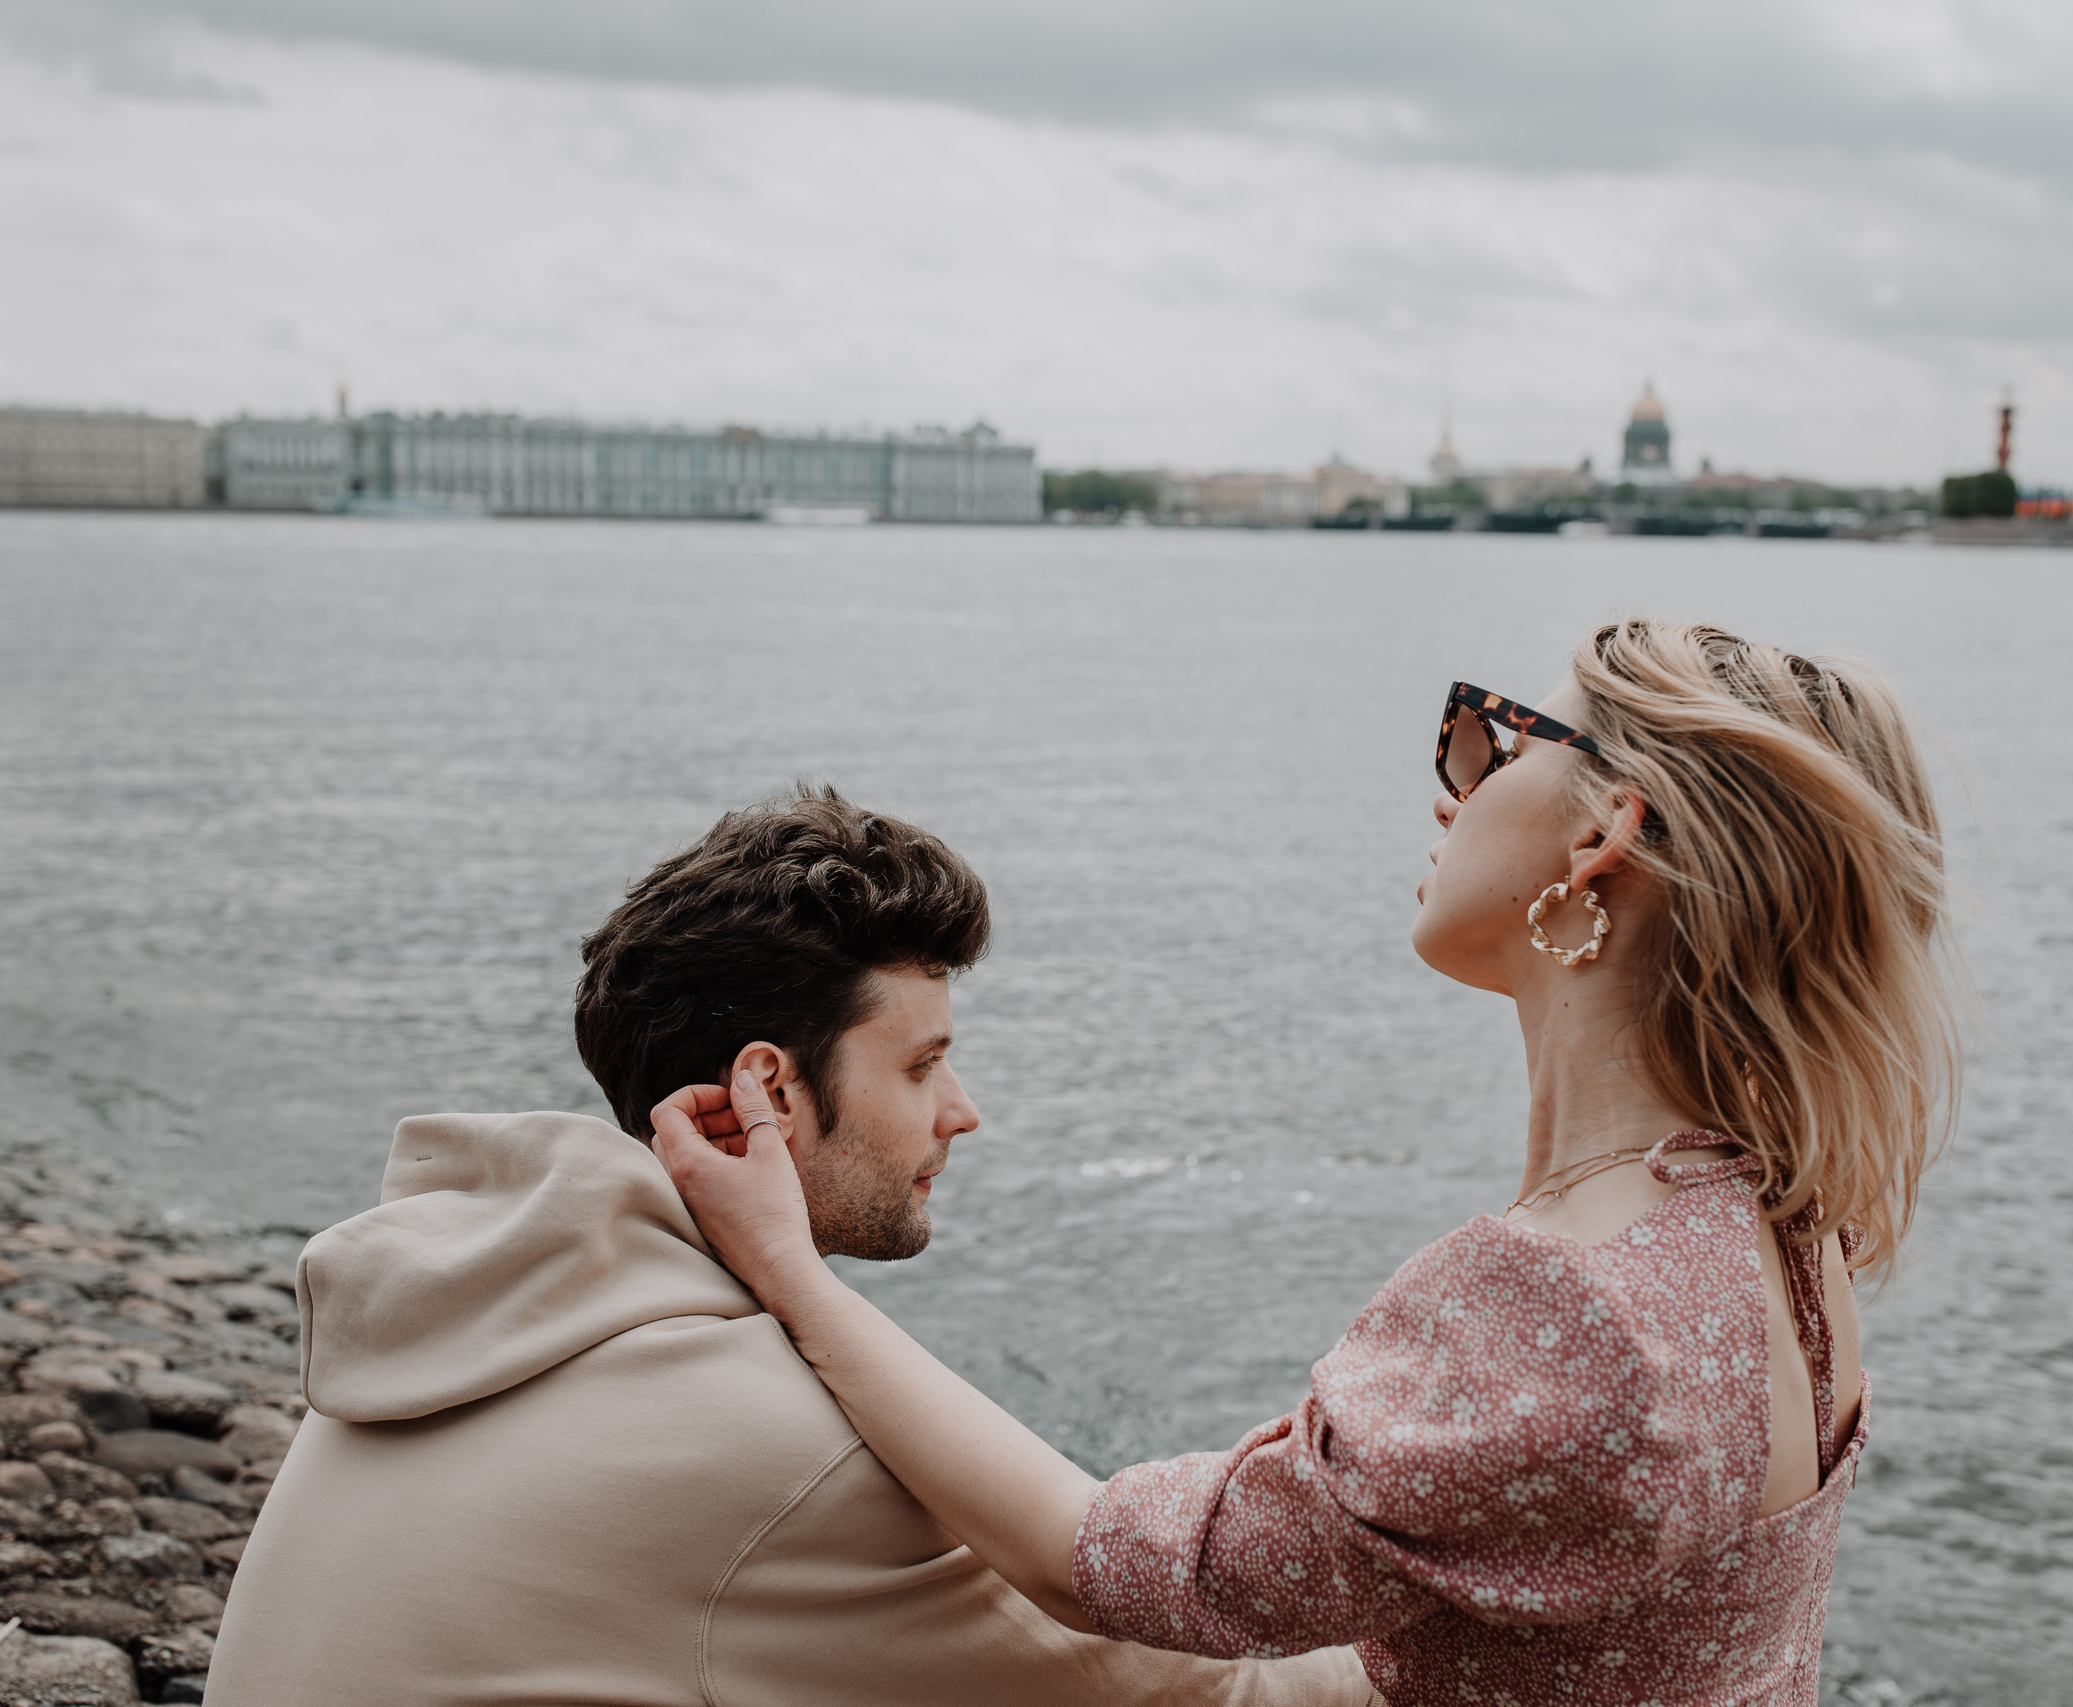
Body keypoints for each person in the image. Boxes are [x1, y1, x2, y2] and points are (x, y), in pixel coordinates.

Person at [655, 621, 1964, 1707]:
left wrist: (793, 1272)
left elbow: (1091, 1558)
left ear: (1600, 839)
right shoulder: (1783, 1226)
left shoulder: (1570, 1305)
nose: (1449, 787)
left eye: (1492, 737)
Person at [208, 785, 1374, 1707]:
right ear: (767, 1087)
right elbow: (1184, 1692)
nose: (962, 1111)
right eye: (921, 1063)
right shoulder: (763, 1449)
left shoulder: (482, 1301)